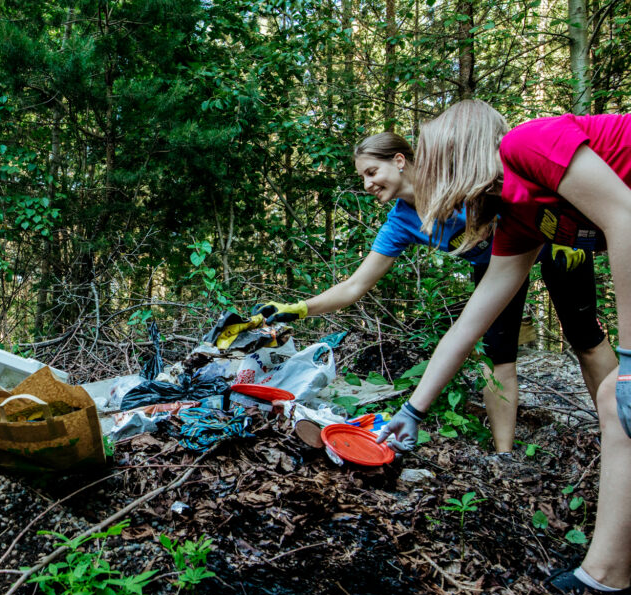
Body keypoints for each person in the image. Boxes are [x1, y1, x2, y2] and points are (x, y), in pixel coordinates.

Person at [377, 100, 628, 595]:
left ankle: (607, 573)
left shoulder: (525, 145)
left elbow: (624, 217)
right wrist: (413, 410)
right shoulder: (518, 217)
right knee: (615, 405)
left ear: (456, 152)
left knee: (618, 396)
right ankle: (607, 575)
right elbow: (472, 321)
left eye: (430, 157)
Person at [253, 132, 607, 456]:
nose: (367, 183)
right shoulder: (401, 222)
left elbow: (520, 177)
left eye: (371, 172)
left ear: (399, 161)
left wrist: (572, 222)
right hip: (498, 264)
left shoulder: (454, 176)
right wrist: (299, 308)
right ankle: (504, 456)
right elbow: (354, 286)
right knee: (498, 357)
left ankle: (617, 432)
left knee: (585, 338)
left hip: (553, 237)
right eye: (363, 177)